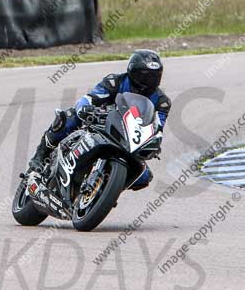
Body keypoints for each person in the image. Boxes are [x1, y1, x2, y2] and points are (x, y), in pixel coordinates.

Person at [27, 49, 170, 191]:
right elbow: (91, 97)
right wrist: (85, 108)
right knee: (68, 118)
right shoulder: (115, 81)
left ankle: (104, 189)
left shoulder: (162, 102)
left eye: (154, 76)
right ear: (132, 71)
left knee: (143, 177)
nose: (149, 81)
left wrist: (154, 143)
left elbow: (157, 127)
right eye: (145, 76)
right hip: (102, 123)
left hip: (130, 140)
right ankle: (40, 156)